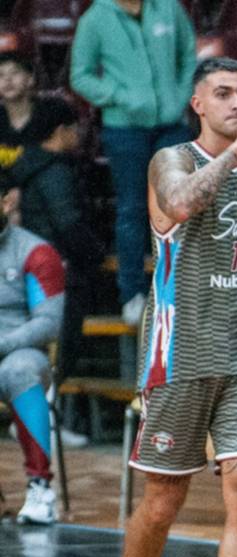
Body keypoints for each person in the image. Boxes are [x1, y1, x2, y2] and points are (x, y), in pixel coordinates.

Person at [114, 57, 237, 557]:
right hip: (179, 351)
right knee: (164, 501)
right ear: (198, 104)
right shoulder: (171, 160)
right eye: (224, 94)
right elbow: (182, 203)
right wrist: (235, 153)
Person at [70, 0, 197, 326]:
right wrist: (118, 96)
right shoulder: (95, 18)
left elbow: (189, 56)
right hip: (124, 129)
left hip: (172, 125)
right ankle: (132, 293)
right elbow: (80, 76)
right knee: (132, 208)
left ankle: (182, 290)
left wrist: (181, 96)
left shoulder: (169, 8)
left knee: (179, 208)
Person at [6, 97, 103, 379]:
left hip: (32, 270)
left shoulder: (26, 167)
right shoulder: (55, 172)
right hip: (60, 272)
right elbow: (68, 223)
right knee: (58, 355)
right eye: (75, 128)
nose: (79, 134)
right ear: (61, 130)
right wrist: (95, 255)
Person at [0, 187, 64, 526]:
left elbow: (48, 323)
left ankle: (40, 488)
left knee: (19, 370)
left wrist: (3, 343)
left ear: (7, 202)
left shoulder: (36, 252)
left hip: (23, 353)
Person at [0, 53, 64, 171]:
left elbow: (65, 145)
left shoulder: (54, 110)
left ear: (30, 79)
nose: (7, 79)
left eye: (14, 72)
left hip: (47, 176)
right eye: (1, 75)